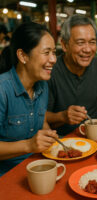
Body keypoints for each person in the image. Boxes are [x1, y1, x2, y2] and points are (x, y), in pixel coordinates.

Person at [0, 22, 58, 176]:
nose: (54, 59)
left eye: (54, 52)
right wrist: (28, 145)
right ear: (23, 56)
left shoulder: (42, 85)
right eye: (46, 52)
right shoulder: (2, 90)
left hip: (37, 168)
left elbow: (40, 118)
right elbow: (30, 145)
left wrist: (48, 134)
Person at [46, 15, 97, 135]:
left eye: (92, 42)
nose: (87, 49)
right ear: (64, 45)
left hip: (91, 137)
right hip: (60, 141)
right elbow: (37, 117)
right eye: (80, 42)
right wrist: (62, 116)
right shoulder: (50, 71)